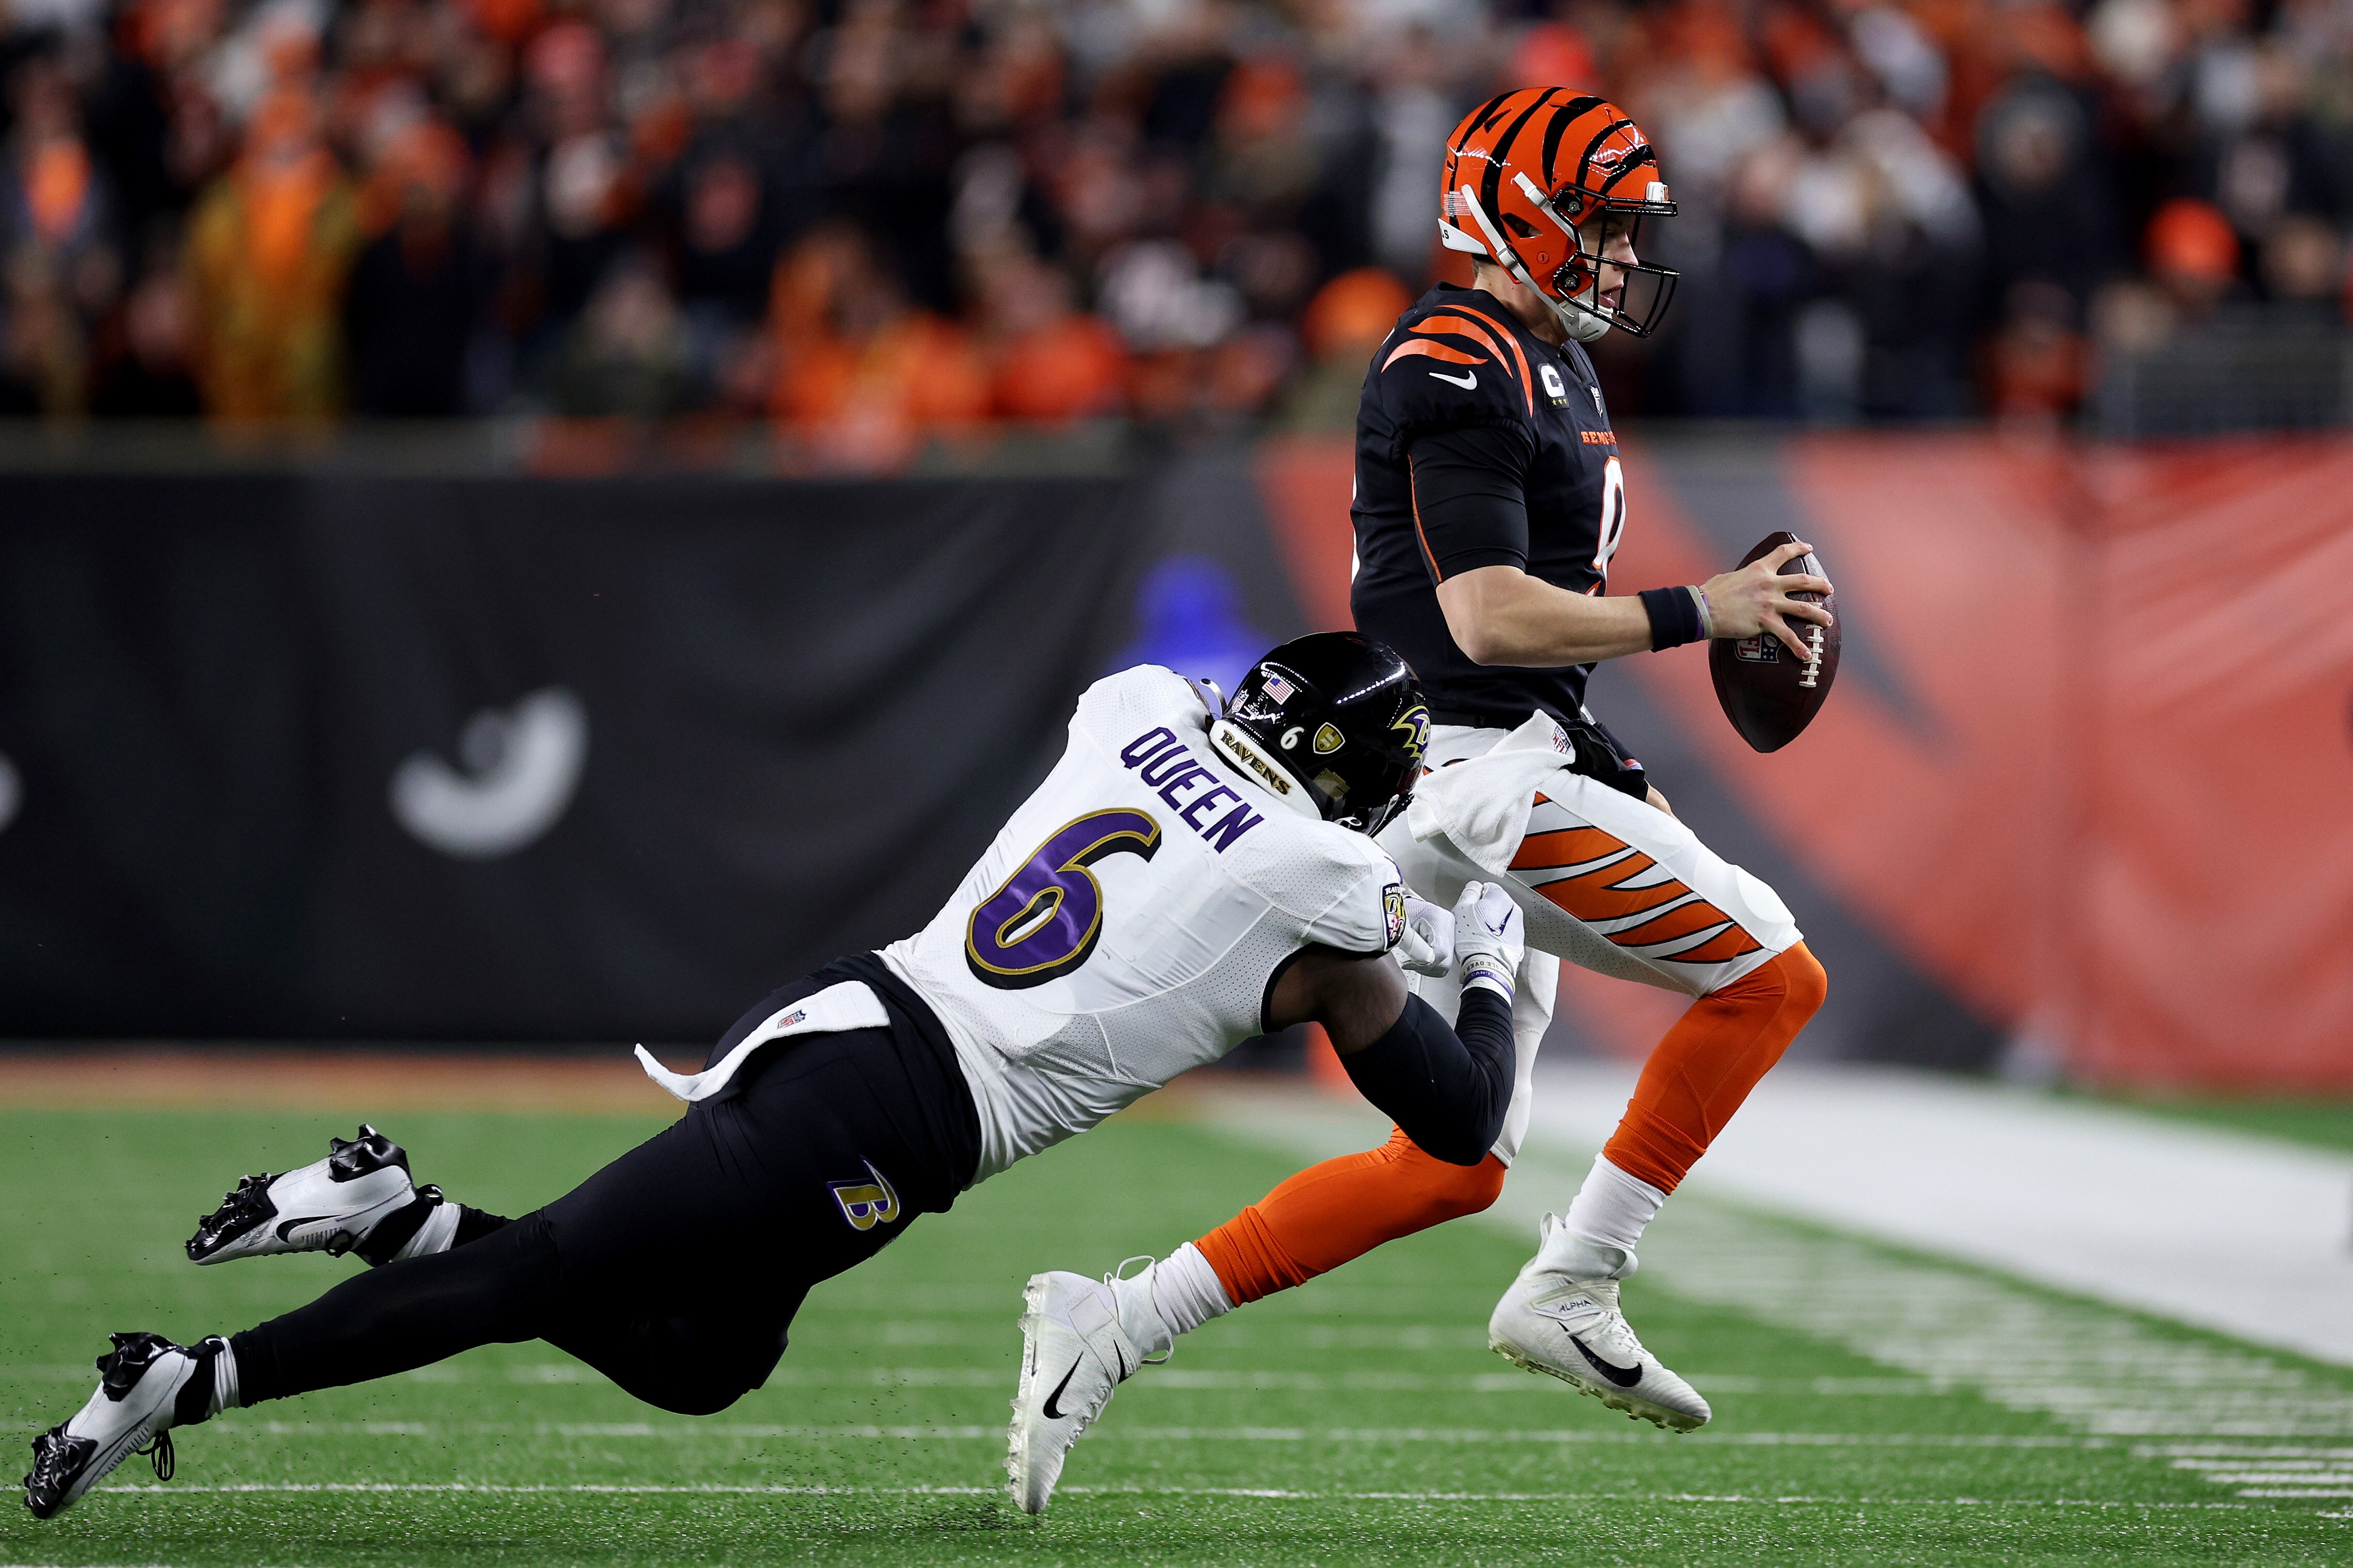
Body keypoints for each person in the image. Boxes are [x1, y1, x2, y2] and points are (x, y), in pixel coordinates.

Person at [20, 633, 1528, 1523]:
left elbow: (1205, 813)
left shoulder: (1135, 707)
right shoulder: (1332, 883)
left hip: (865, 1038)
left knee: (703, 1362)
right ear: (1364, 787)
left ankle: (392, 1213)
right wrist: (1489, 964)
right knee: (544, 1271)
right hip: (887, 1102)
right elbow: (1459, 1121)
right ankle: (191, 1380)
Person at [1013, 89, 1834, 1505]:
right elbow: (1494, 618)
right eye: (1605, 227)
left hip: (1507, 768)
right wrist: (1706, 608)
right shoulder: (1457, 350)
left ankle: (1115, 1319)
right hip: (1465, 780)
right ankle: (1576, 1281)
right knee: (1772, 977)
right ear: (1516, 211)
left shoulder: (1551, 364)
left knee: (1451, 1163)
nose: (1627, 258)